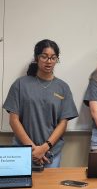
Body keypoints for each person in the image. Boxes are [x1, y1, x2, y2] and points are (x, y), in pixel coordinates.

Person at [3, 39, 78, 168]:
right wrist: (33, 149)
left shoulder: (63, 87)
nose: (49, 61)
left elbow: (63, 123)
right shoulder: (20, 84)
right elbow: (13, 120)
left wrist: (44, 147)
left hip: (50, 154)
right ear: (36, 58)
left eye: (53, 58)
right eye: (44, 56)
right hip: (22, 152)